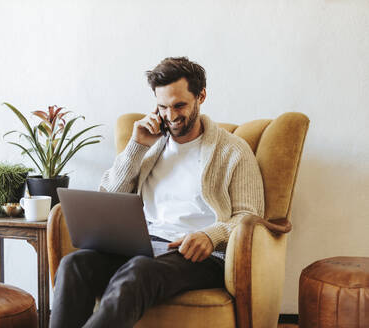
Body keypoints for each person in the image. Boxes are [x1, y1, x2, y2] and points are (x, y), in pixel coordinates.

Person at [49, 57, 264, 328]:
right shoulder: (149, 146)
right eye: (162, 107)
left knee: (138, 273)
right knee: (74, 265)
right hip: (144, 246)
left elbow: (250, 218)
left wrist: (212, 236)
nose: (171, 116)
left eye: (179, 105)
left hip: (197, 256)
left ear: (201, 96)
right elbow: (109, 194)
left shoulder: (233, 151)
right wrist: (136, 146)